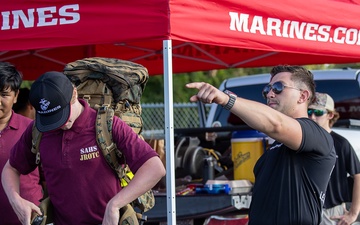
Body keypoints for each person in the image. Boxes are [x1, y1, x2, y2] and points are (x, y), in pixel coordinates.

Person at [1, 71, 166, 225]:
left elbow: (154, 167)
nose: (61, 124)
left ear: (73, 94)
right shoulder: (39, 130)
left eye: (62, 115)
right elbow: (11, 168)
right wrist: (16, 200)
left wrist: (115, 205)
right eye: (51, 119)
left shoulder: (106, 125)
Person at [186, 65, 336, 225]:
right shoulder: (274, 150)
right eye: (267, 89)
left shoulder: (316, 134)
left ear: (302, 96)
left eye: (278, 88)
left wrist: (225, 99)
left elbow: (276, 124)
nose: (270, 94)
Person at [0, 62, 43, 225]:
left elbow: (49, 177)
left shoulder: (32, 129)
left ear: (16, 95)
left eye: (4, 94)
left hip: (28, 220)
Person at [308, 92, 360, 225]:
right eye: (309, 111)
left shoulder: (341, 144)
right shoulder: (303, 141)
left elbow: (358, 176)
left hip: (331, 214)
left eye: (318, 112)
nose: (312, 116)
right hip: (305, 209)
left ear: (330, 115)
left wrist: (353, 214)